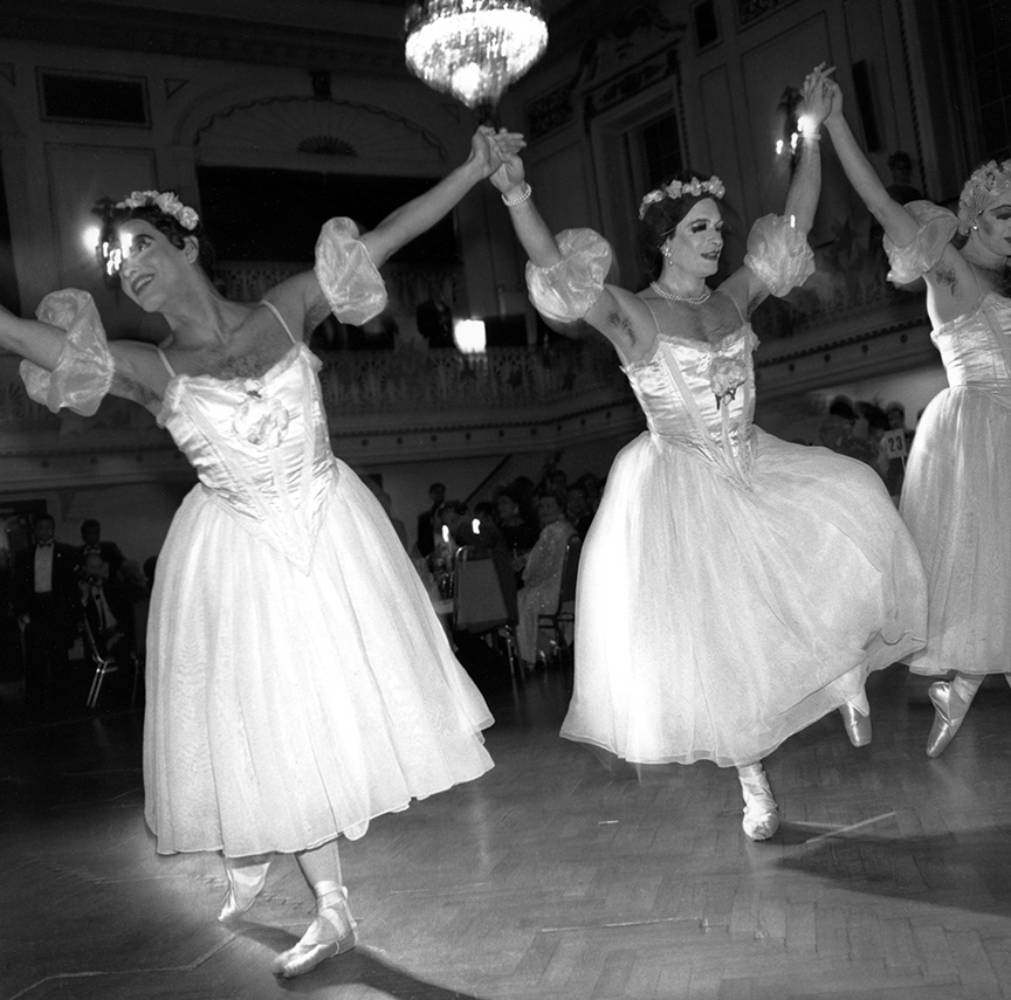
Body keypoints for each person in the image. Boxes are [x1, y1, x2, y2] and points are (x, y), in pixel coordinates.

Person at [0, 124, 523, 977]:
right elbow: (26, 339)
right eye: (116, 261)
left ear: (185, 243)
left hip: (329, 528)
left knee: (328, 709)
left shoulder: (285, 307)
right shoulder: (148, 366)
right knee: (278, 719)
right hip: (241, 552)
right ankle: (330, 905)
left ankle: (258, 848)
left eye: (142, 244)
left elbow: (393, 232)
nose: (127, 266)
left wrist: (472, 168)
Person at [488, 65, 926, 840]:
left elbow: (792, 223)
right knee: (725, 644)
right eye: (699, 228)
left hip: (750, 460)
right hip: (684, 486)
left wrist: (812, 132)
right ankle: (753, 785)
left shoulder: (732, 299)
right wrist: (517, 192)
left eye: (718, 227)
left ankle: (842, 673)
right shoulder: (634, 316)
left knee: (850, 503)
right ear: (664, 240)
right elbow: (558, 271)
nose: (717, 237)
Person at [822, 78, 1011, 757]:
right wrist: (836, 124)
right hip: (979, 432)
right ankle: (944, 687)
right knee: (972, 573)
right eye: (1006, 215)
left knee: (995, 578)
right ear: (974, 217)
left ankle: (958, 691)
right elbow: (878, 200)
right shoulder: (948, 267)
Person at [12, 513, 79, 715]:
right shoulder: (23, 555)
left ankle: (62, 700)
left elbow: (72, 586)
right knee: (35, 656)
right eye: (40, 528)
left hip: (57, 608)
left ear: (53, 529)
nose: (44, 532)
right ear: (35, 531)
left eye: (48, 527)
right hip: (35, 608)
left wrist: (72, 614)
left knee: (59, 655)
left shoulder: (67, 552)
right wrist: (21, 612)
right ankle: (35, 702)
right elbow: (18, 586)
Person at [514, 490, 575, 670]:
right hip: (567, 592)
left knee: (519, 599)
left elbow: (539, 566)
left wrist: (524, 571)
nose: (544, 510)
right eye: (542, 506)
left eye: (549, 506)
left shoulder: (551, 531)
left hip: (550, 591)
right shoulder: (568, 529)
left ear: (560, 508)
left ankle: (528, 656)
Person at [415, 481, 446, 558]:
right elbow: (422, 541)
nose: (440, 494)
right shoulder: (424, 518)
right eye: (437, 492)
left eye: (441, 492)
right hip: (432, 552)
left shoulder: (450, 510)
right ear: (432, 495)